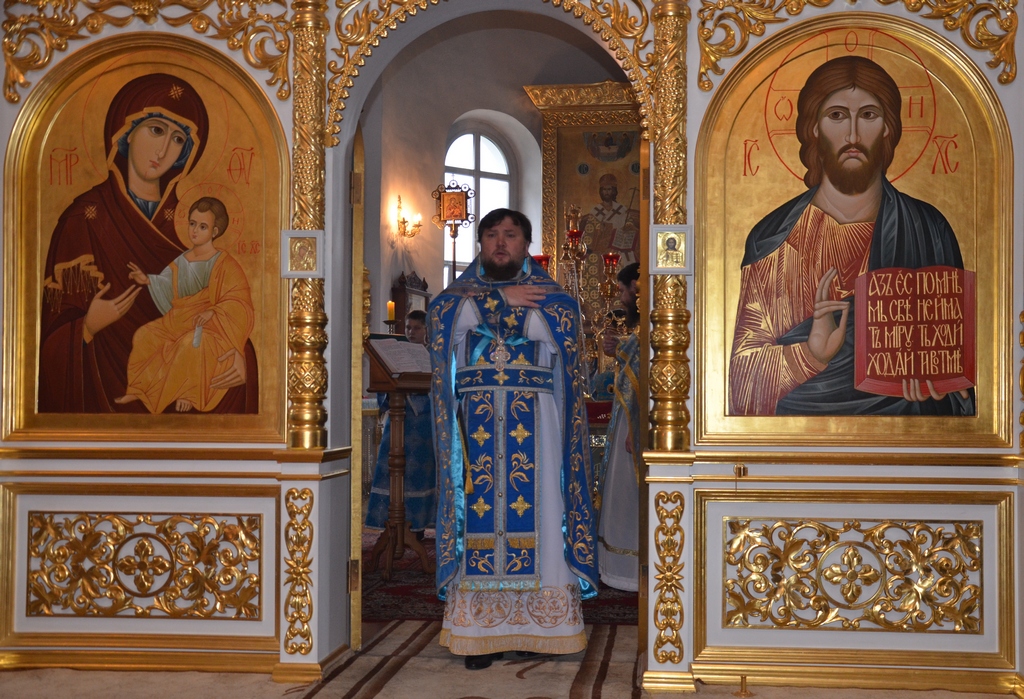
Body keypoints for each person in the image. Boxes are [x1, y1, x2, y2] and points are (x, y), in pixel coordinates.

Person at [728, 56, 974, 417]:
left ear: (888, 127)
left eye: (869, 115)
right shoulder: (773, 239)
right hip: (794, 440)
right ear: (814, 127)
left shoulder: (928, 228)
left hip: (905, 441)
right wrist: (811, 354)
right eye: (837, 116)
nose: (853, 135)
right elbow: (741, 381)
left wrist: (940, 382)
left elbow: (956, 367)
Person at [428, 208, 597, 669]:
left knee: (544, 516)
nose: (500, 243)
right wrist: (505, 301)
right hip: (475, 426)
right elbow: (444, 323)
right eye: (491, 235)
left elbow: (551, 329)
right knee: (475, 517)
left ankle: (540, 629)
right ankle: (478, 634)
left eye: (510, 235)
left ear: (526, 244)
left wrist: (486, 314)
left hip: (536, 424)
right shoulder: (455, 296)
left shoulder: (553, 297)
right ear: (480, 244)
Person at [39, 73, 258, 413]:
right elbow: (46, 341)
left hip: (190, 362)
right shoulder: (82, 220)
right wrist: (87, 326)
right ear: (125, 131)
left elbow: (225, 303)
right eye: (156, 129)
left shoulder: (188, 225)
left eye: (177, 139)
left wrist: (238, 354)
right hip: (100, 395)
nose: (163, 151)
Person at [114, 197, 255, 413]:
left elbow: (238, 301)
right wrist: (148, 280)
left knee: (190, 344)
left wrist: (213, 311)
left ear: (215, 231)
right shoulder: (182, 260)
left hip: (209, 328)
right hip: (178, 321)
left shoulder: (224, 263)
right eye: (192, 223)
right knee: (144, 336)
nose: (195, 230)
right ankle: (139, 389)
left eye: (202, 226)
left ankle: (188, 393)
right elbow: (168, 284)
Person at [365, 310, 438, 535]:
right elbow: (383, 384)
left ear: (427, 330)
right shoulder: (395, 355)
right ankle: (390, 524)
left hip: (423, 426)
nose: (411, 332)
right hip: (397, 424)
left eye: (417, 328)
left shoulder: (434, 356)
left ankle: (418, 526)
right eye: (408, 328)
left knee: (420, 476)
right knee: (390, 471)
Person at [597, 262, 641, 591]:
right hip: (627, 417)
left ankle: (628, 570)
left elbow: (641, 377)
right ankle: (619, 567)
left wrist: (634, 427)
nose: (623, 298)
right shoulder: (641, 329)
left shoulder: (652, 327)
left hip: (635, 420)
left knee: (628, 492)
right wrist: (617, 349)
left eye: (625, 291)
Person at [580, 173, 640, 265]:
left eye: (609, 189)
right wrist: (600, 229)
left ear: (614, 191)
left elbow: (629, 221)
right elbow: (589, 233)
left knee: (627, 257)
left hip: (619, 246)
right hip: (601, 248)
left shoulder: (621, 209)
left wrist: (629, 226)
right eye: (604, 189)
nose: (607, 192)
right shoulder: (595, 211)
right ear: (601, 191)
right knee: (593, 260)